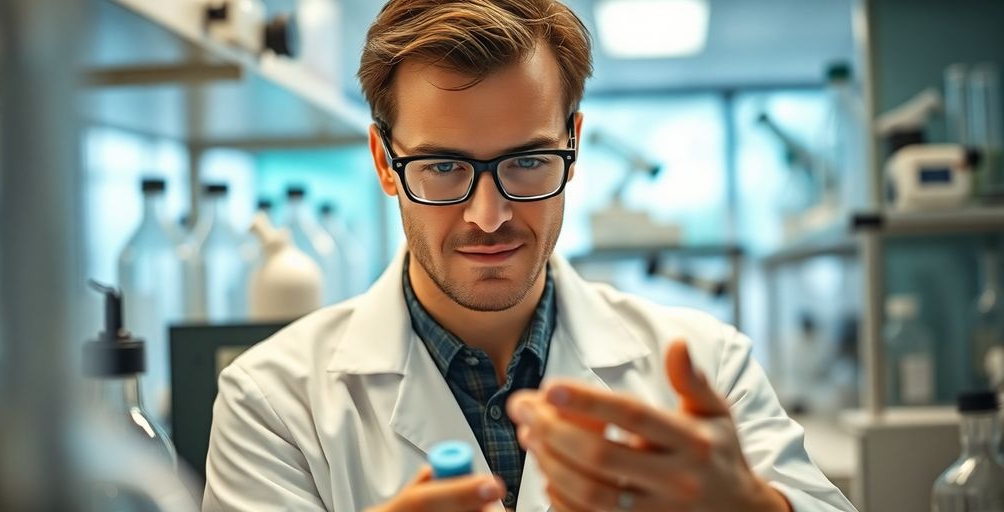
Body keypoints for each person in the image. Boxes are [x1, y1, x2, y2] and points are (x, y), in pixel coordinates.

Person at [202, 1, 857, 511]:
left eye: (528, 161)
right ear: (385, 162)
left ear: (573, 145)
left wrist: (749, 506)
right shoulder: (271, 403)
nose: (489, 217)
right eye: (441, 167)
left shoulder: (708, 364)